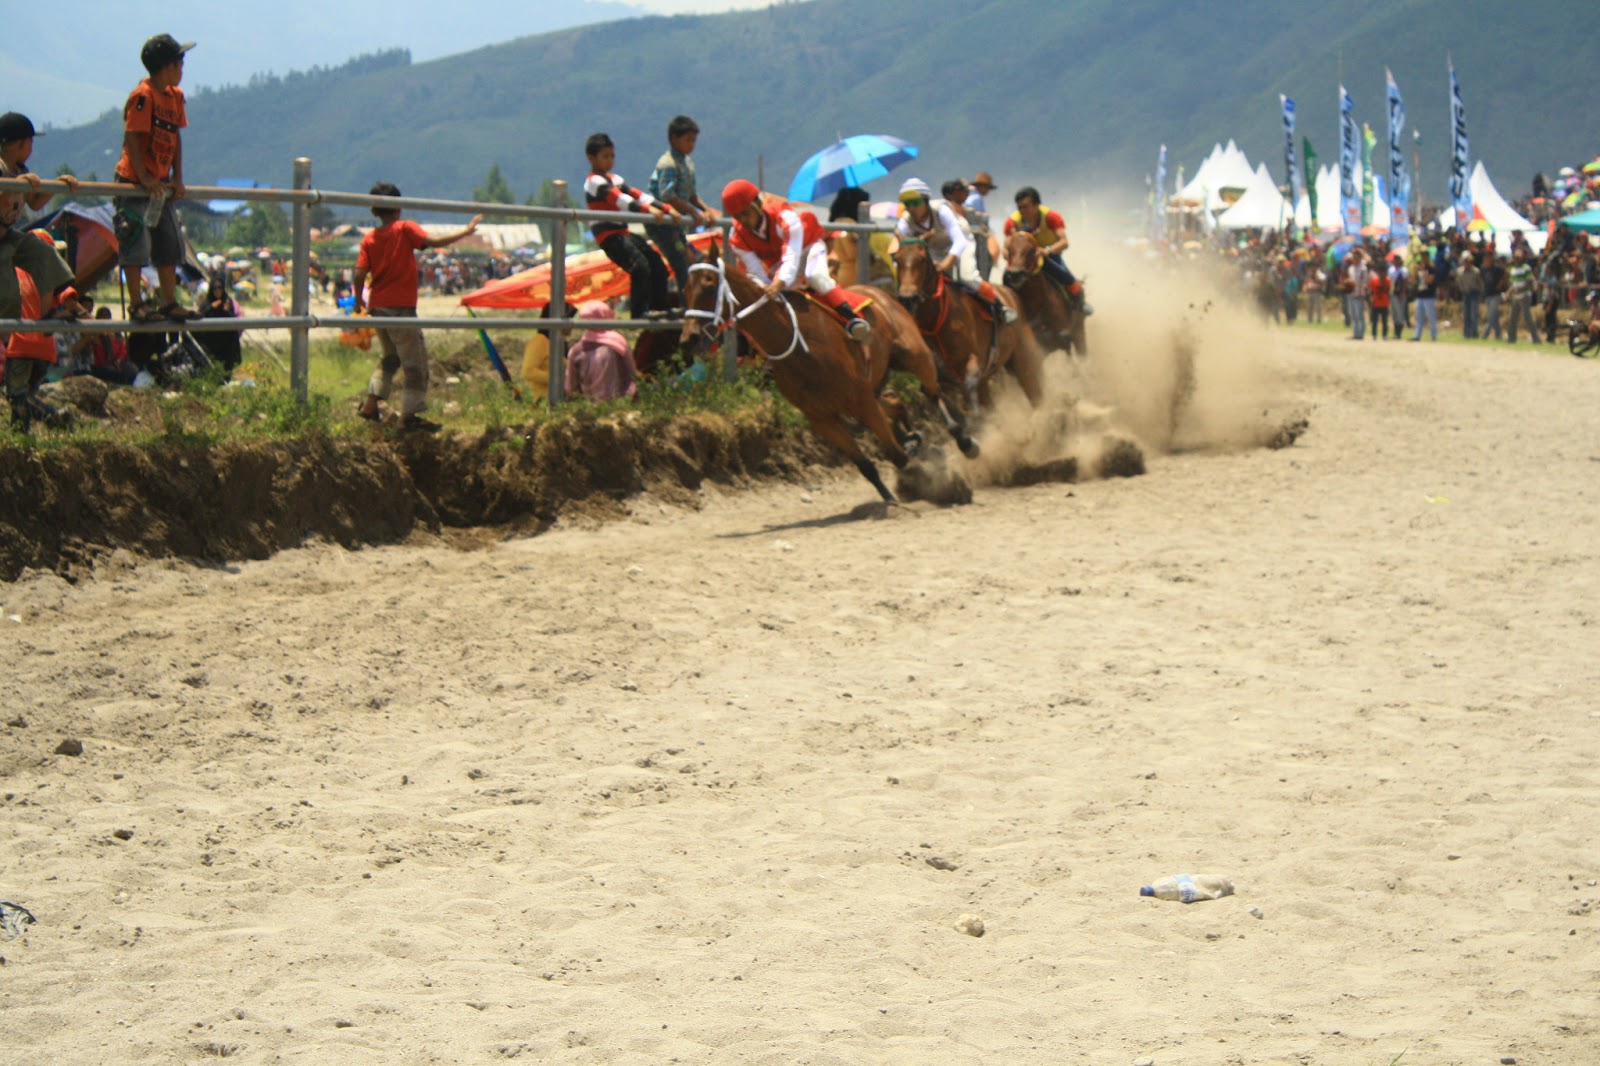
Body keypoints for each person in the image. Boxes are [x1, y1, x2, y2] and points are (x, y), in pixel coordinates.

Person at [352, 181, 482, 432]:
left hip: (378, 307)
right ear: (398, 207)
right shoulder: (404, 228)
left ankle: (370, 405)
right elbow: (433, 241)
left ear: (375, 211)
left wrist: (359, 300)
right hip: (400, 308)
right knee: (416, 365)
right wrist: (465, 231)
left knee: (390, 359)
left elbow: (359, 275)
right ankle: (408, 417)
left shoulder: (369, 239)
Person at [113, 34, 199, 323]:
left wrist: (177, 177)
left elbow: (175, 138)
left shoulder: (175, 97)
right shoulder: (143, 96)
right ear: (167, 66)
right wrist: (144, 176)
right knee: (135, 239)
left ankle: (168, 301)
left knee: (170, 240)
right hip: (134, 182)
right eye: (179, 62)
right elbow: (133, 139)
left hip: (160, 184)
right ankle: (137, 303)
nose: (182, 68)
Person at [721, 178, 871, 342]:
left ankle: (851, 318)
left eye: (745, 213)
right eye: (737, 217)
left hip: (807, 249)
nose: (743, 221)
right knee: (772, 296)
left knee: (815, 277)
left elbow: (791, 255)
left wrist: (778, 283)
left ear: (758, 203)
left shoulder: (785, 217)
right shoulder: (736, 237)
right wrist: (765, 286)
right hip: (779, 264)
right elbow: (755, 270)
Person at [584, 132, 679, 319]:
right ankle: (639, 311)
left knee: (657, 264)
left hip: (622, 232)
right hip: (608, 236)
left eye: (612, 155)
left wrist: (666, 208)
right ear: (591, 158)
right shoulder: (593, 182)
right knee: (640, 266)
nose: (610, 160)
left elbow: (638, 195)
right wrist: (647, 211)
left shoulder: (615, 179)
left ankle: (660, 306)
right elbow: (619, 199)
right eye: (605, 156)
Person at [895, 177, 1016, 324]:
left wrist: (946, 264)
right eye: (907, 204)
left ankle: (1000, 307)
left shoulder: (941, 211)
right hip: (934, 248)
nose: (911, 208)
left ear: (926, 201)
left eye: (915, 203)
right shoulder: (905, 220)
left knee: (967, 277)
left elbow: (959, 241)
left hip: (961, 243)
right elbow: (899, 244)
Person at [5, 231, 86, 431]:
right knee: (25, 398)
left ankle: (55, 416)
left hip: (21, 344)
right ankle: (21, 438)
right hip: (45, 349)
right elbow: (70, 298)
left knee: (17, 396)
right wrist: (86, 317)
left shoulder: (15, 270)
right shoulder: (51, 277)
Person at [646, 116, 717, 290]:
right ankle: (687, 306)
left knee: (692, 260)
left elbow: (691, 194)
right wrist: (693, 212)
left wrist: (706, 210)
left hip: (677, 223)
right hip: (663, 222)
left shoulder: (687, 163)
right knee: (681, 263)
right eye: (688, 140)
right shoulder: (668, 163)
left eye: (694, 141)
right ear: (674, 139)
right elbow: (667, 195)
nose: (691, 145)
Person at [1004, 186, 1092, 314]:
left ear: (1036, 205)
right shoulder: (1012, 222)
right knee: (1006, 279)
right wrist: (1010, 257)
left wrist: (1047, 251)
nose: (1022, 211)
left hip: (1049, 256)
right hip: (1023, 260)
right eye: (1019, 207)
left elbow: (1064, 242)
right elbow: (1006, 245)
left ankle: (1080, 305)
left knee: (1067, 278)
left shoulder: (1052, 217)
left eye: (1026, 207)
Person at [0, 112, 80, 222]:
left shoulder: (21, 171)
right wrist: (16, 184)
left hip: (6, 232)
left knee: (41, 240)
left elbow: (34, 204)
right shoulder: (1, 168)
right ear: (21, 144)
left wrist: (57, 185)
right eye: (31, 142)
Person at [563, 301, 637, 402]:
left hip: (588, 404)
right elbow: (632, 374)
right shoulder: (619, 343)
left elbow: (570, 386)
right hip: (620, 403)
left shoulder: (577, 350)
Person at [195, 272, 242, 374]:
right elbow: (200, 317)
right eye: (215, 288)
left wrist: (226, 310)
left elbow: (233, 321)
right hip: (211, 341)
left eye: (220, 288)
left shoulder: (227, 301)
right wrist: (211, 308)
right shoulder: (207, 302)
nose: (217, 291)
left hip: (225, 343)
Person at [965, 170, 997, 281]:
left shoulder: (973, 197)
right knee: (984, 263)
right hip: (976, 238)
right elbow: (974, 219)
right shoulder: (975, 199)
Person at [1505, 248, 1540, 344]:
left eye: (1518, 257)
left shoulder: (1526, 268)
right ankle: (1511, 338)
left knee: (1528, 318)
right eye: (1515, 257)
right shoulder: (1513, 269)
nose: (1516, 259)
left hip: (1524, 296)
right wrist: (1509, 292)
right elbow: (1513, 283)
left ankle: (1536, 339)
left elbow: (1529, 282)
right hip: (1516, 297)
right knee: (1512, 318)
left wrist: (1520, 290)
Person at [1410, 253, 1439, 341]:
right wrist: (1415, 270)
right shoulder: (1418, 269)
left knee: (1431, 316)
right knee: (1419, 317)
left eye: (1424, 257)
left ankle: (1433, 335)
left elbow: (1430, 281)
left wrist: (1424, 271)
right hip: (1420, 295)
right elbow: (1413, 280)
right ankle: (1417, 336)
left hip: (1429, 296)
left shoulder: (1431, 269)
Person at [1456, 252, 1483, 339]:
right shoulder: (1460, 271)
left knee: (1473, 314)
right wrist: (1462, 290)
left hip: (1474, 293)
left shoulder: (1476, 271)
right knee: (1466, 314)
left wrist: (1480, 293)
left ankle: (1474, 333)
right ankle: (1466, 333)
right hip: (1465, 294)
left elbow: (1480, 283)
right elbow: (1459, 282)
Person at [1345, 248, 1369, 340]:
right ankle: (1355, 332)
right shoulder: (1350, 268)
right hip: (1351, 294)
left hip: (1359, 294)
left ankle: (1361, 333)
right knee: (1353, 314)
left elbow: (1364, 282)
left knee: (1359, 314)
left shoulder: (1363, 269)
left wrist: (1353, 282)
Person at [1482, 251, 1507, 341]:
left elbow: (1505, 275)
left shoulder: (1497, 269)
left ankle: (1485, 335)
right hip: (1488, 294)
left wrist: (1500, 285)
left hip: (1496, 295)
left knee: (1491, 316)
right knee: (1494, 316)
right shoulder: (1484, 269)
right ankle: (1499, 334)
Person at [1367, 258, 1390, 340]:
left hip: (1384, 303)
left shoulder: (1387, 280)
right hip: (1375, 303)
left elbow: (1388, 290)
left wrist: (1383, 282)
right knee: (1374, 321)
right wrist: (1371, 300)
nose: (1381, 273)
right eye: (1380, 271)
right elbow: (1371, 291)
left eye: (1383, 271)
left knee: (1384, 321)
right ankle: (1374, 335)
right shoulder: (1374, 280)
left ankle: (1384, 335)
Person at [1387, 254, 1409, 338]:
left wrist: (1402, 293)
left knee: (1400, 313)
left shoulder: (1404, 270)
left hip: (1400, 294)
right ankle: (1395, 332)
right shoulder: (1391, 270)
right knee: (1395, 313)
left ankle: (1399, 333)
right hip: (1393, 293)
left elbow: (1405, 282)